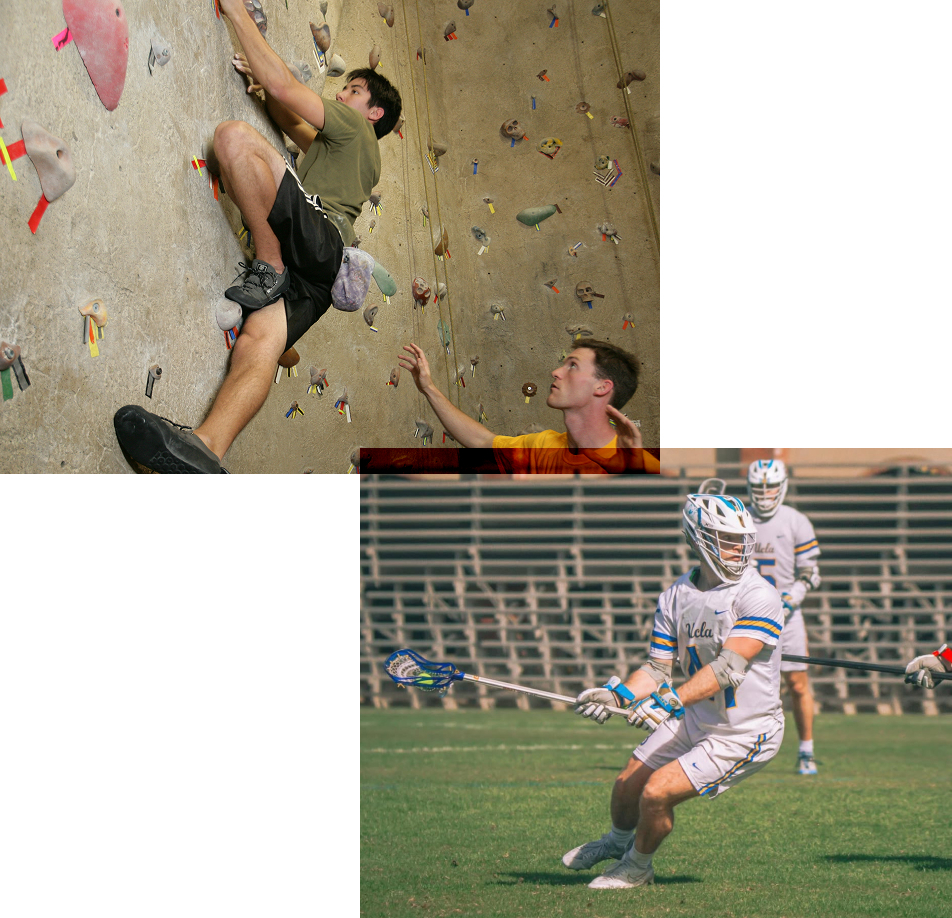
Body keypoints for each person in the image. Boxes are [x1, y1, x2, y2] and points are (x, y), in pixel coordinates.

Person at [112, 0, 402, 473]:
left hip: (318, 241)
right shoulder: (354, 157)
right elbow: (291, 119)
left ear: (372, 113)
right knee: (258, 343)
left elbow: (287, 87)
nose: (340, 95)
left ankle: (270, 264)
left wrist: (237, 14)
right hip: (321, 273)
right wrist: (265, 88)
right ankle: (207, 449)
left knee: (233, 139)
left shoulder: (354, 130)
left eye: (350, 91)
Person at [562, 493, 784, 889]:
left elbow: (727, 668)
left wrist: (669, 701)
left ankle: (637, 867)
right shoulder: (675, 596)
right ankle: (616, 844)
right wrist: (618, 697)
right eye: (727, 539)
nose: (740, 549)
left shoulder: (758, 595)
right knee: (627, 783)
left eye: (743, 540)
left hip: (744, 732)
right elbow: (656, 668)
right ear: (698, 538)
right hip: (695, 717)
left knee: (656, 793)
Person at [397, 340, 659, 474]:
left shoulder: (641, 467)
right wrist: (429, 388)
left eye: (573, 366)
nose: (556, 372)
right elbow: (482, 441)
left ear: (602, 387)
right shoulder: (545, 445)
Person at [746, 459, 822, 774]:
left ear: (783, 485)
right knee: (744, 681)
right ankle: (743, 746)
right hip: (749, 615)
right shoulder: (741, 518)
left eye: (771, 485)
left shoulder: (795, 520)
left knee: (797, 683)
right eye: (759, 487)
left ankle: (806, 750)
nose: (765, 493)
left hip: (788, 617)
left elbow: (810, 572)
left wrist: (793, 597)